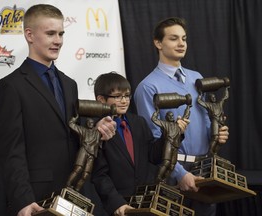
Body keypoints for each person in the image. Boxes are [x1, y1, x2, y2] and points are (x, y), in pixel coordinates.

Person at [0, 4, 116, 216]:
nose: (58, 40)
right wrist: (22, 200)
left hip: (74, 195)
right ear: (29, 35)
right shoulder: (11, 86)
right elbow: (11, 151)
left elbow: (69, 134)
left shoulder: (69, 84)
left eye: (61, 33)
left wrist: (96, 131)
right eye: (50, 33)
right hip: (36, 199)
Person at [134, 17, 229, 216]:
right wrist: (180, 173)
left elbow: (204, 120)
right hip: (173, 173)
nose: (181, 44)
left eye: (184, 39)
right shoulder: (148, 87)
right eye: (173, 38)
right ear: (158, 43)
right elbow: (153, 139)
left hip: (205, 169)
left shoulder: (196, 77)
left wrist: (217, 134)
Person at [91, 72, 187, 216]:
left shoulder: (139, 122)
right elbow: (99, 175)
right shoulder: (97, 128)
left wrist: (172, 134)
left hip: (145, 203)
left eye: (127, 95)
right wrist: (117, 203)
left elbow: (154, 156)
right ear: (101, 99)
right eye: (117, 96)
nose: (124, 101)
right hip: (117, 206)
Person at [152, 103, 190, 182]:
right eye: (169, 116)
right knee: (166, 162)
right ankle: (158, 177)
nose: (171, 117)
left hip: (175, 147)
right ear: (166, 117)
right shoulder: (165, 124)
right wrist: (157, 111)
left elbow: (186, 116)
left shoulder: (178, 125)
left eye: (172, 115)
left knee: (172, 165)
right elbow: (154, 119)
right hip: (168, 144)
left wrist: (188, 107)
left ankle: (164, 179)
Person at [67, 116, 102, 191]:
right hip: (83, 150)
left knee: (85, 175)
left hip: (91, 155)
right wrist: (74, 118)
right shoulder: (83, 130)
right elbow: (71, 124)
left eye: (92, 123)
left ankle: (77, 190)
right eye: (89, 123)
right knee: (78, 169)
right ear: (86, 124)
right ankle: (68, 184)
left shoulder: (97, 133)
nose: (90, 124)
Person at [197, 87, 229, 156]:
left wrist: (226, 88)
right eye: (211, 97)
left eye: (214, 97)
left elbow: (225, 97)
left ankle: (214, 153)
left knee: (220, 139)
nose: (213, 98)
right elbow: (199, 101)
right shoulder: (209, 105)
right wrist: (200, 94)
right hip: (214, 121)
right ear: (210, 99)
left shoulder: (219, 104)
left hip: (220, 122)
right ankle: (211, 151)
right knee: (215, 137)